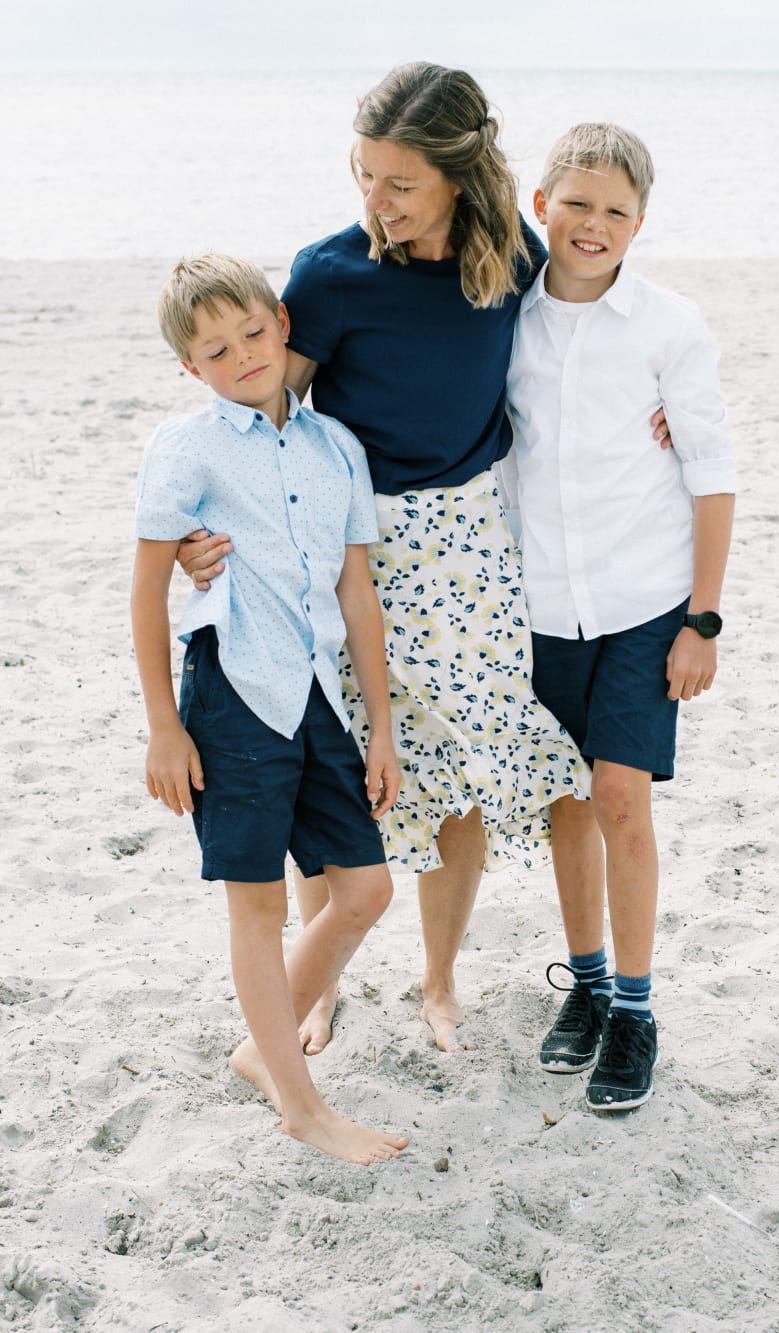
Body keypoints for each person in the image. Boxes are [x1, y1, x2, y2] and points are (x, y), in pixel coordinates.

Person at [180, 63, 605, 1054]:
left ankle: (439, 980)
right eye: (364, 175)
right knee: (331, 765)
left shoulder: (510, 258)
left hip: (468, 545)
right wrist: (207, 520)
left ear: (459, 176)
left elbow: (568, 361)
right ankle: (319, 984)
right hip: (343, 542)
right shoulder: (328, 274)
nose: (376, 202)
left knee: (453, 772)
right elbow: (259, 403)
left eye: (399, 183)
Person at [131, 254, 409, 1164]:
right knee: (255, 907)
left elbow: (356, 591)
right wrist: (164, 727)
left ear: (281, 323)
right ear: (192, 368)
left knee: (366, 887)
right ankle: (301, 1103)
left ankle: (266, 1044)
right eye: (216, 349)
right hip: (233, 696)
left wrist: (383, 723)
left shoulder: (339, 449)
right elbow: (145, 590)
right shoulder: (186, 447)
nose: (243, 355)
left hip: (321, 694)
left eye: (253, 332)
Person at [499, 124, 737, 1111]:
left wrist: (703, 622)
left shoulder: (669, 325)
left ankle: (635, 1008)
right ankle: (587, 984)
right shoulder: (501, 317)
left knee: (620, 798)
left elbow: (712, 475)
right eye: (577, 203)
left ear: (640, 222)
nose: (593, 225)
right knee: (564, 800)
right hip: (539, 604)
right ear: (540, 205)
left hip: (644, 603)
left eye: (616, 210)